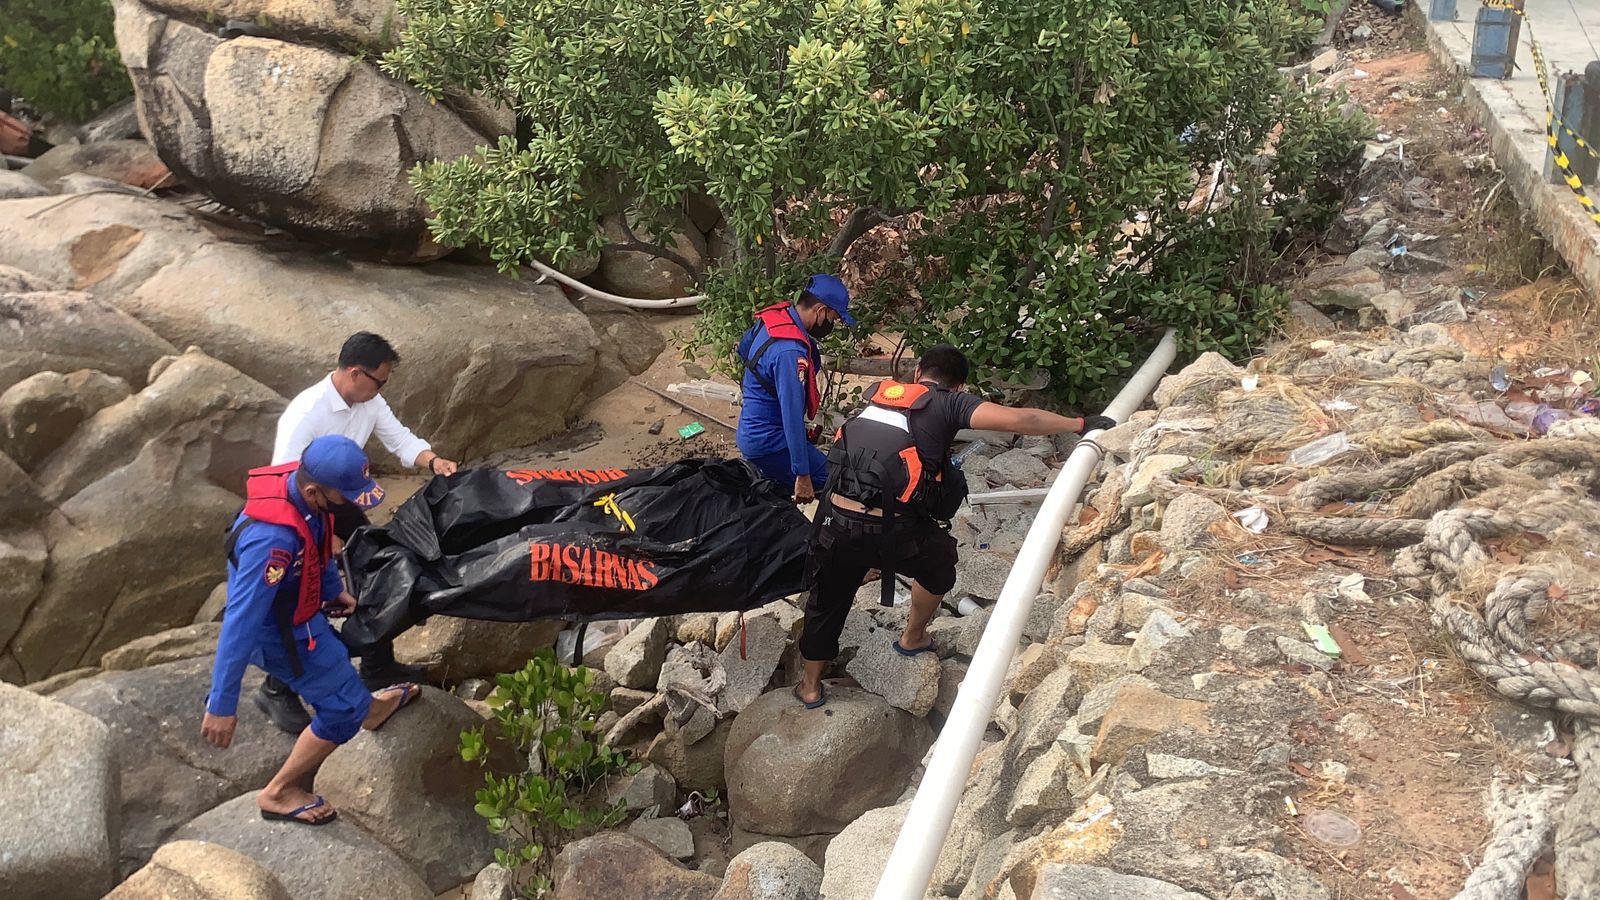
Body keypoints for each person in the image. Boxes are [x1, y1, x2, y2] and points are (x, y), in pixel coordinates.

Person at [792, 344, 1115, 708]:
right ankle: (913, 637)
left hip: (837, 521)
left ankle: (810, 687)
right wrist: (1081, 424)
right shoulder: (950, 403)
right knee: (939, 564)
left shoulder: (878, 398)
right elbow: (1021, 420)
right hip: (897, 532)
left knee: (827, 602)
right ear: (960, 386)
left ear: (917, 374)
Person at [203, 435, 418, 824]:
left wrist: (334, 591)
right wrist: (221, 703)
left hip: (300, 612)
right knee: (340, 712)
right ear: (314, 489)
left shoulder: (303, 493)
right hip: (280, 635)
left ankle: (371, 710)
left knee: (336, 660)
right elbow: (240, 620)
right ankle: (278, 791)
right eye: (345, 495)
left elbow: (317, 543)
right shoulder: (271, 542)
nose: (350, 503)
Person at [256, 331, 453, 732]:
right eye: (380, 381)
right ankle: (276, 688)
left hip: (342, 498)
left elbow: (399, 439)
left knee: (374, 568)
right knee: (303, 593)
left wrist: (432, 461)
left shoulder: (369, 401)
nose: (383, 389)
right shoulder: (306, 413)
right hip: (300, 507)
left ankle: (378, 664)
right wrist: (318, 537)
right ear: (354, 372)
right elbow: (284, 478)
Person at [735, 274, 856, 504]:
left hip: (754, 432)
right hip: (771, 442)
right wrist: (802, 474)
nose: (832, 324)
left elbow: (744, 349)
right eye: (833, 317)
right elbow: (791, 414)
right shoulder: (789, 352)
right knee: (839, 483)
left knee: (775, 498)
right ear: (820, 310)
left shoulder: (777, 320)